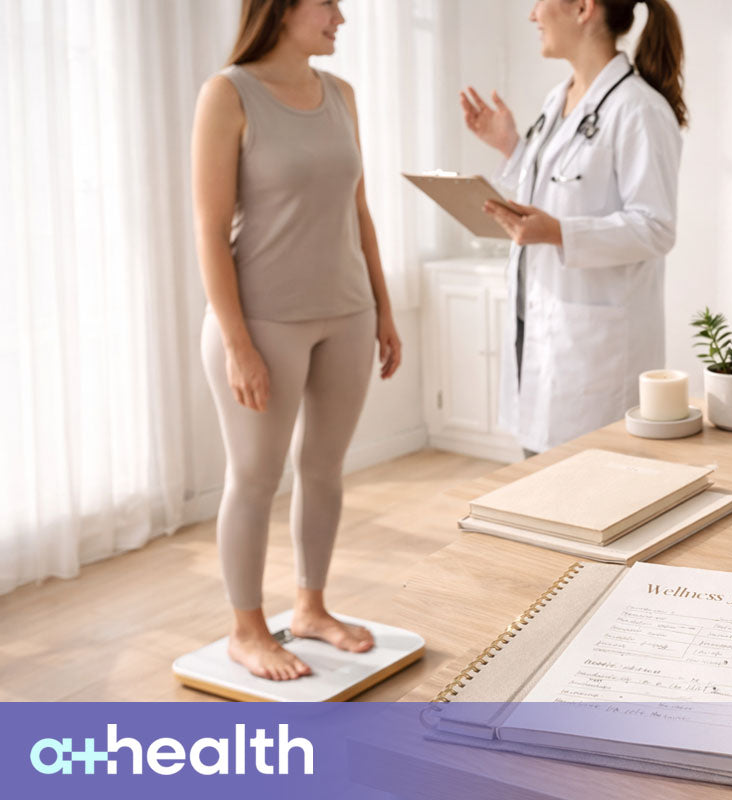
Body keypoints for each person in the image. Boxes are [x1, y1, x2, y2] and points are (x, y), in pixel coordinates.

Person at [191, 0, 401, 681]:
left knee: (324, 470)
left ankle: (311, 609)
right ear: (281, 9)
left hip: (346, 314)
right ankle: (245, 630)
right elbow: (209, 230)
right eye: (329, 3)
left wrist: (384, 310)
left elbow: (359, 211)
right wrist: (238, 343)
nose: (341, 16)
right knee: (253, 478)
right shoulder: (228, 93)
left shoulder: (341, 95)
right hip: (263, 322)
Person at [460, 0, 686, 456]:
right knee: (542, 487)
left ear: (583, 8)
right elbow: (554, 193)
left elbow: (656, 227)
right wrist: (510, 146)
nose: (531, 15)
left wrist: (560, 233)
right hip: (540, 326)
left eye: (539, 2)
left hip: (595, 355)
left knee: (592, 496)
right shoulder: (556, 101)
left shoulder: (638, 109)